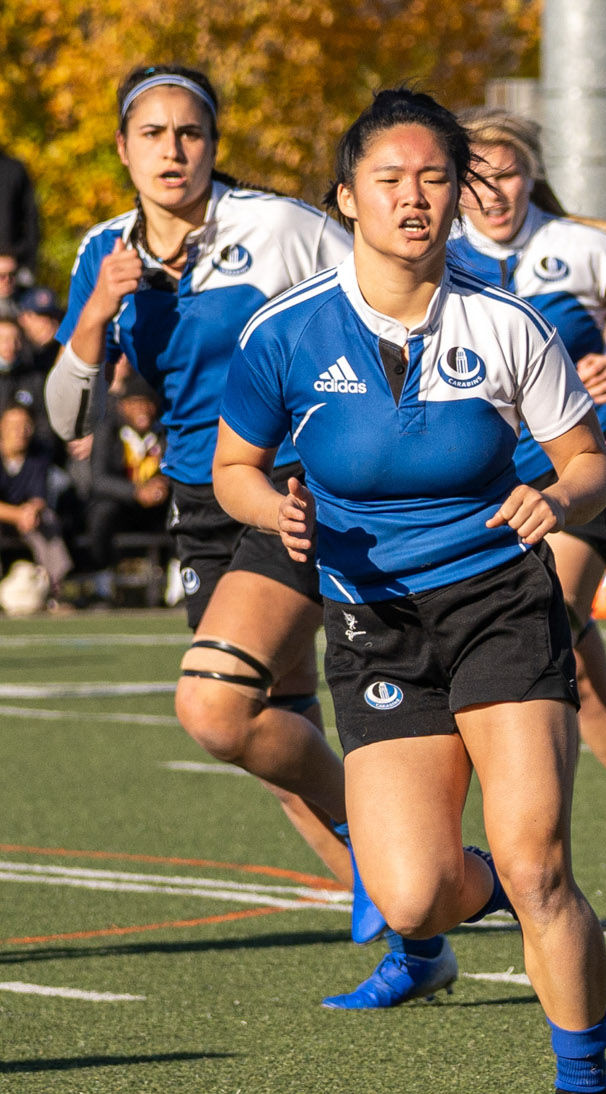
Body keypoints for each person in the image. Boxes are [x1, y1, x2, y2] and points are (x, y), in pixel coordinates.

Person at [213, 89, 606, 1094]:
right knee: (412, 897)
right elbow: (233, 470)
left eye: (434, 178)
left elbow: (590, 465)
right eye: (389, 180)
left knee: (537, 862)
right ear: (345, 197)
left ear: (458, 194)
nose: (414, 199)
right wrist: (277, 511)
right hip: (374, 623)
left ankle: (583, 1087)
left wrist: (559, 496)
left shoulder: (506, 322)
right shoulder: (283, 334)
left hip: (498, 603)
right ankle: (486, 907)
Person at [42, 65, 364, 945]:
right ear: (123, 148)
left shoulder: (280, 226)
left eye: (191, 133)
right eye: (153, 134)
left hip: (290, 488)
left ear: (214, 145)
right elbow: (66, 415)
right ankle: (417, 934)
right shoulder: (102, 250)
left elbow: (388, 304)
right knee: (273, 730)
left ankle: (388, 857)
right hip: (197, 501)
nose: (173, 151)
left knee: (218, 709)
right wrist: (98, 313)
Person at [444, 108, 606, 924]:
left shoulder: (580, 247)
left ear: (531, 174)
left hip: (580, 478)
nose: (493, 192)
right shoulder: (435, 255)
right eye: (476, 176)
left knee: (536, 630)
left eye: (507, 173)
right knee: (579, 668)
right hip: (480, 489)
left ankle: (528, 871)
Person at [74, 383, 169, 596]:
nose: (142, 409)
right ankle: (102, 580)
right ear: (123, 406)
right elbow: (99, 480)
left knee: (182, 507)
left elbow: (177, 467)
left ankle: (176, 580)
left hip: (156, 506)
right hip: (122, 504)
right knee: (101, 512)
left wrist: (162, 485)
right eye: (135, 404)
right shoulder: (107, 431)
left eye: (147, 403)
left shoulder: (164, 432)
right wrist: (135, 492)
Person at [0, 402, 71, 601]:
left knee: (47, 519)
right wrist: (17, 515)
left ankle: (54, 592)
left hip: (27, 520)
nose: (21, 432)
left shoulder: (38, 456)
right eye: (14, 426)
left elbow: (39, 496)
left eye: (26, 425)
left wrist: (32, 510)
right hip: (7, 517)